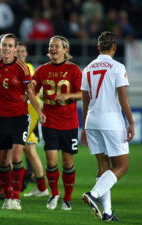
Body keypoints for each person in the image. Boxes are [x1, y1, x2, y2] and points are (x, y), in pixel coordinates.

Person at [81, 31, 134, 221]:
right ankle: (93, 194)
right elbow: (123, 98)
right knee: (122, 165)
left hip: (92, 121)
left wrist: (84, 127)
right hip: (111, 122)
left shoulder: (87, 68)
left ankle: (107, 212)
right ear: (114, 48)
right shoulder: (118, 67)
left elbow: (85, 101)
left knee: (103, 165)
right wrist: (131, 122)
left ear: (97, 47)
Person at [0, 33, 45, 210]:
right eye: (4, 45)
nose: (6, 48)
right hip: (1, 117)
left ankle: (15, 197)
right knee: (4, 160)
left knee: (17, 156)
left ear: (14, 49)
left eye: (10, 45)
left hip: (20, 117)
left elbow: (29, 91)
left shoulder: (22, 68)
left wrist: (38, 110)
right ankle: (6, 193)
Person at [33, 35, 82, 211]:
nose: (52, 48)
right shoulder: (41, 70)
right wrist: (37, 104)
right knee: (51, 161)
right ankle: (54, 194)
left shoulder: (74, 70)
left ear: (65, 49)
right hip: (50, 120)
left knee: (68, 162)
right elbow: (32, 90)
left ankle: (67, 199)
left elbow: (83, 93)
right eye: (51, 46)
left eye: (56, 46)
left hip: (69, 122)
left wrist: (69, 95)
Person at [16, 42, 48, 197]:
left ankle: (20, 181)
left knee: (19, 147)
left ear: (26, 53)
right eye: (19, 51)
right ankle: (41, 187)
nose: (21, 53)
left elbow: (32, 90)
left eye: (23, 51)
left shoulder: (27, 67)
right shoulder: (20, 66)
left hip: (29, 110)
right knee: (29, 148)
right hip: (23, 110)